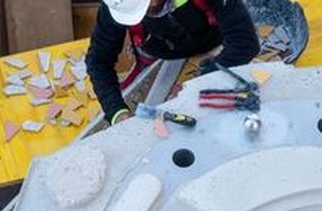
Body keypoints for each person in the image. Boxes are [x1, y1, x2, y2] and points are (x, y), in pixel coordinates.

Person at [87, 0, 260, 126]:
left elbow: (245, 43)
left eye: (149, 6)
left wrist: (196, 83)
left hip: (213, 46)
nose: (147, 13)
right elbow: (98, 61)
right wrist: (117, 112)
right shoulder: (118, 6)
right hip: (157, 54)